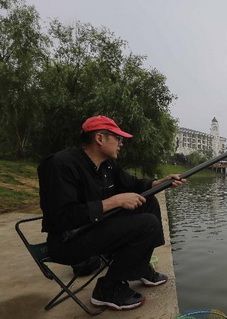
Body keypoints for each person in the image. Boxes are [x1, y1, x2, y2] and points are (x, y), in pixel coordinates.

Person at [38, 115, 186, 310]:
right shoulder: (60, 165)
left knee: (148, 202)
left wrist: (160, 182)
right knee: (147, 224)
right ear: (100, 138)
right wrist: (113, 201)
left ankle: (139, 266)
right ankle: (107, 289)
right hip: (68, 241)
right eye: (118, 138)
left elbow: (132, 184)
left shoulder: (108, 164)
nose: (121, 143)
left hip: (97, 228)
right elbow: (61, 217)